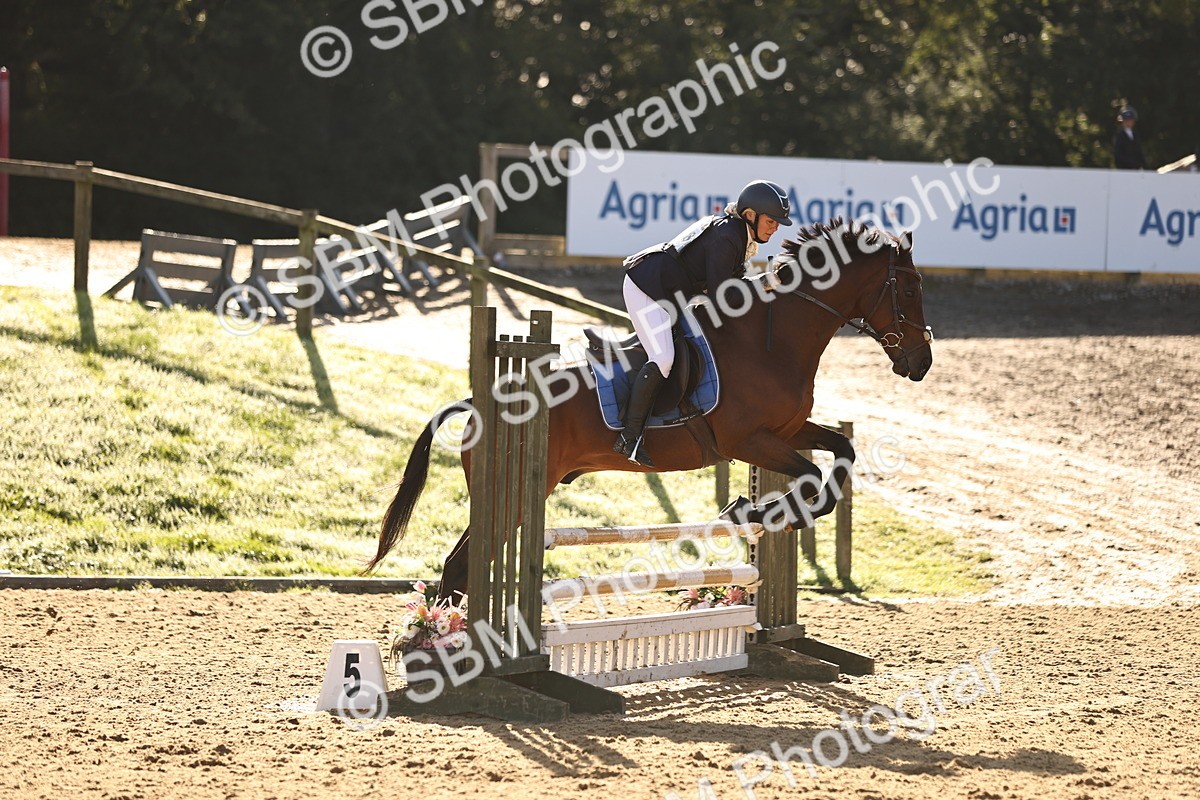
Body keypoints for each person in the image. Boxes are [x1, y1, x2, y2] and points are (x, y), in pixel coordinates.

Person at [614, 179, 793, 467]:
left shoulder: (738, 235)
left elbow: (730, 289)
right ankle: (630, 437)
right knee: (663, 358)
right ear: (750, 215)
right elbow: (724, 295)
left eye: (778, 223)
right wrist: (765, 282)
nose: (775, 228)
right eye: (771, 221)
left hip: (667, 292)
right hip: (646, 286)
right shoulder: (728, 236)